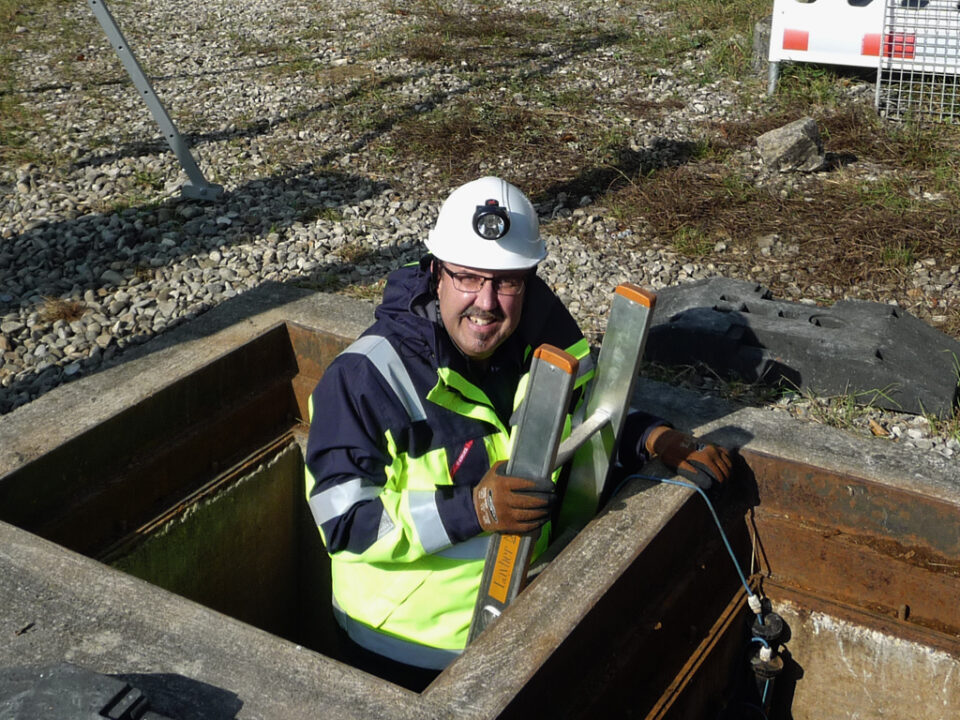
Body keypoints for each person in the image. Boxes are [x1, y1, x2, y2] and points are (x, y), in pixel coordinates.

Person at [304, 176, 732, 689]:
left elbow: (584, 423)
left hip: (518, 615)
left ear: (528, 279)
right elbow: (345, 523)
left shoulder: (546, 344)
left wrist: (653, 438)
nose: (486, 302)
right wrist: (471, 511)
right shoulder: (366, 379)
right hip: (401, 648)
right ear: (436, 273)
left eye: (506, 282)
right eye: (467, 278)